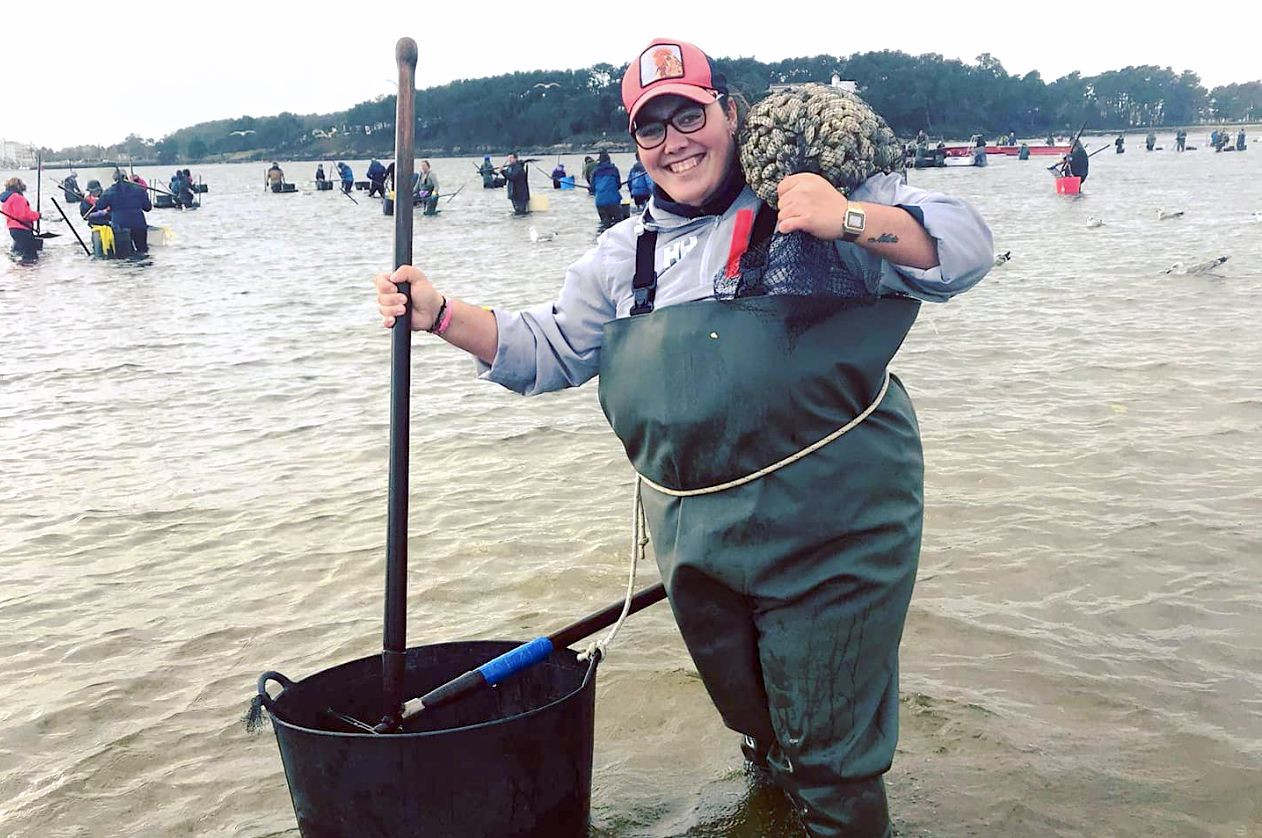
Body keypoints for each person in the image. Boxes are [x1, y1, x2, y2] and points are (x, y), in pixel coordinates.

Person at [373, 37, 993, 836]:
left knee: (832, 752)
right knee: (761, 728)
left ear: (729, 113)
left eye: (689, 116)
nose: (675, 142)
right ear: (636, 143)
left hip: (835, 528)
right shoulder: (621, 255)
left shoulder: (811, 201)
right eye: (651, 128)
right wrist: (441, 315)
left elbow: (965, 251)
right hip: (698, 542)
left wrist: (846, 217)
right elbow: (551, 347)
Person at [94, 168, 152, 254]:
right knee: (142, 250)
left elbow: (99, 206)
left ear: (114, 179)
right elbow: (147, 207)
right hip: (139, 224)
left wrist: (99, 197)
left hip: (120, 226)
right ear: (126, 177)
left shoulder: (109, 192)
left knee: (124, 254)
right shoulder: (139, 189)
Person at [1, 177, 42, 260]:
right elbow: (22, 215)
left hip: (13, 229)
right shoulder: (17, 198)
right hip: (22, 229)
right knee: (31, 256)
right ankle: (28, 271)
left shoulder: (7, 199)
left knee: (21, 253)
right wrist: (37, 215)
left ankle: (19, 271)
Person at [590, 150, 623, 230]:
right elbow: (618, 185)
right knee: (618, 224)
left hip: (600, 202)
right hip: (613, 201)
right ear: (609, 160)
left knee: (605, 224)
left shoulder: (595, 171)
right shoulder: (614, 169)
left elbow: (592, 187)